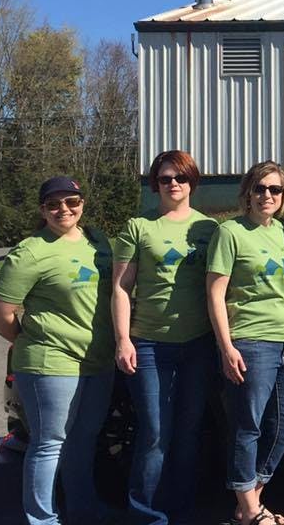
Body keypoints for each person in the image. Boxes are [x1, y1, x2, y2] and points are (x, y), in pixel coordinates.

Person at [0, 176, 115, 525]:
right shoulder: (31, 251)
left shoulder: (98, 242)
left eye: (72, 202)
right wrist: (30, 337)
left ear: (82, 204)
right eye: (54, 204)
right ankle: (42, 519)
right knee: (49, 444)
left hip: (99, 360)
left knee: (84, 441)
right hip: (50, 362)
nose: (64, 209)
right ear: (42, 210)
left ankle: (83, 509)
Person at [111, 150, 219, 525]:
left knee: (188, 432)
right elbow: (122, 288)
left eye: (181, 178)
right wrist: (123, 339)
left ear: (193, 182)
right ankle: (147, 515)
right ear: (155, 183)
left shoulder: (210, 229)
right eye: (165, 178)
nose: (174, 184)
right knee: (155, 433)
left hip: (199, 344)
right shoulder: (138, 227)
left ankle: (182, 510)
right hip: (151, 345)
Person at [207, 161, 284, 525]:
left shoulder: (283, 232)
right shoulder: (230, 232)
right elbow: (215, 293)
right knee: (248, 426)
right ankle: (250, 510)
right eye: (260, 188)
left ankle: (249, 502)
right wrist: (226, 346)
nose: (267, 196)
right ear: (247, 191)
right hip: (250, 341)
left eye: (275, 190)